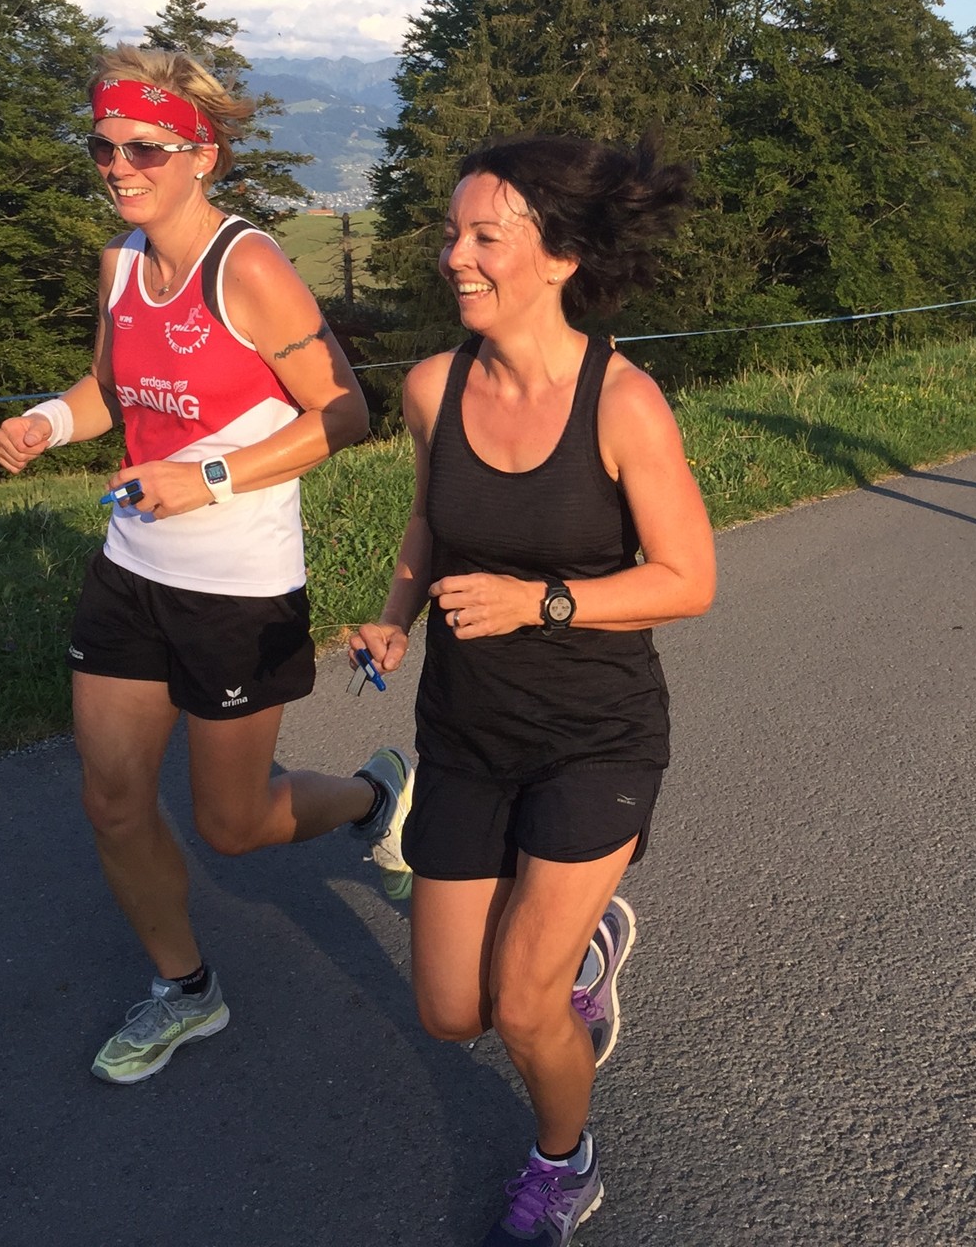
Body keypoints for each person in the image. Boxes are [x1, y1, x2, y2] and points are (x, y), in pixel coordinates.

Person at [0, 46, 413, 1084]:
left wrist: (209, 477)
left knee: (233, 823)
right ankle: (186, 991)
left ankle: (374, 800)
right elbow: (111, 390)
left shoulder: (249, 268)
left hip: (236, 591)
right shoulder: (120, 264)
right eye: (104, 146)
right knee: (112, 799)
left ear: (201, 155)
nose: (118, 166)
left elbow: (346, 413)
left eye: (144, 148)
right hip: (130, 568)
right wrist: (47, 422)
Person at [349, 135, 715, 1247]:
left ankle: (564, 1163)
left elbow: (688, 579)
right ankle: (584, 947)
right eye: (450, 234)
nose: (454, 257)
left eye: (484, 237)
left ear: (558, 257)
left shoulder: (623, 403)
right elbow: (428, 520)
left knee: (521, 1008)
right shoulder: (433, 387)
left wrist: (538, 602)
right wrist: (396, 614)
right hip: (465, 734)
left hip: (594, 738)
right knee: (447, 1010)